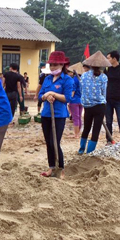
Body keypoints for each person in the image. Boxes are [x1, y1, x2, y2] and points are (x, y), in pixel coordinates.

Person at [38, 51, 73, 179]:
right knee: (48, 142)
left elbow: (67, 98)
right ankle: (51, 167)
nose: (53, 67)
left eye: (56, 65)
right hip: (46, 114)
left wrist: (53, 94)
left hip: (59, 115)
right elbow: (40, 95)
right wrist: (45, 96)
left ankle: (61, 168)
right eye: (51, 65)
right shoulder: (46, 78)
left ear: (62, 65)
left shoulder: (67, 80)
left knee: (55, 142)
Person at [78, 51, 110, 154]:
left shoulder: (84, 76)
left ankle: (81, 149)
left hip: (87, 106)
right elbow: (103, 92)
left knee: (86, 128)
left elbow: (81, 90)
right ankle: (90, 152)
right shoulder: (104, 77)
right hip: (99, 106)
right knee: (96, 130)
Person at [67, 69, 83, 139]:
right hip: (81, 100)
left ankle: (76, 134)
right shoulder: (82, 79)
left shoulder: (74, 80)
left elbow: (73, 91)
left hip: (74, 101)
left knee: (75, 118)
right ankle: (78, 133)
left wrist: (69, 99)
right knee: (79, 117)